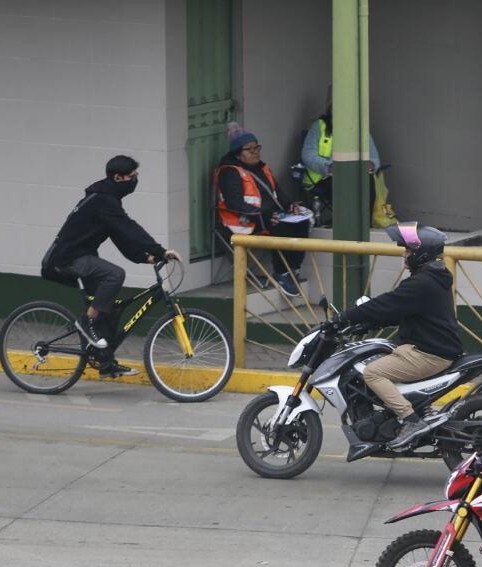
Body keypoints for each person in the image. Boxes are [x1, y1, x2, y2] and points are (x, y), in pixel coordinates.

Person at [43, 154, 181, 378]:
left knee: (111, 309)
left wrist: (146, 258)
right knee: (114, 275)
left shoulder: (107, 199)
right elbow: (128, 227)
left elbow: (120, 237)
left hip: (80, 256)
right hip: (65, 259)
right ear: (118, 177)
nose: (136, 180)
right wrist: (160, 250)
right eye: (132, 176)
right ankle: (86, 322)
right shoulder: (102, 201)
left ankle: (105, 361)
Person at [335, 222, 463, 449]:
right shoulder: (433, 277)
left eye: (408, 250)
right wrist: (366, 323)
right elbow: (400, 311)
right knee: (380, 356)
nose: (404, 255)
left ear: (421, 253)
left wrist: (346, 316)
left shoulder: (421, 283)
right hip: (430, 347)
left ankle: (411, 420)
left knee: (372, 373)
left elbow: (387, 303)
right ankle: (420, 408)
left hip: (430, 353)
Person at [215, 123, 311, 297]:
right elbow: (235, 205)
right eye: (249, 149)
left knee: (302, 223)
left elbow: (278, 193)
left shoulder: (262, 169)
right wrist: (265, 216)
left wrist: (290, 206)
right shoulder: (229, 173)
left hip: (266, 216)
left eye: (257, 147)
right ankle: (281, 273)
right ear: (238, 153)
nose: (255, 152)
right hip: (243, 223)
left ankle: (293, 269)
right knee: (281, 227)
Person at [301, 101, 381, 221]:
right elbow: (307, 154)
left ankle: (365, 225)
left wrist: (371, 164)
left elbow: (374, 156)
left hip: (355, 174)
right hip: (325, 177)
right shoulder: (319, 126)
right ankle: (346, 227)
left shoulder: (360, 129)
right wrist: (328, 167)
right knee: (344, 187)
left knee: (367, 182)